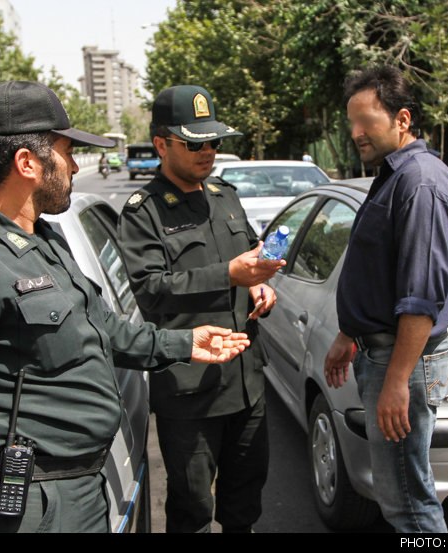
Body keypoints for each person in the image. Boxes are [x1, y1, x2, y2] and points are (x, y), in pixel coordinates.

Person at [0, 80, 251, 533]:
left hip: (79, 491)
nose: (76, 166)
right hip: (30, 505)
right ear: (27, 162)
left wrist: (184, 343)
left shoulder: (43, 241)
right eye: (67, 153)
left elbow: (102, 329)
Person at [117, 85, 285, 533]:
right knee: (191, 509)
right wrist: (228, 275)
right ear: (161, 145)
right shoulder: (142, 212)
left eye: (214, 142)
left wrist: (258, 286)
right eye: (194, 144)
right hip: (190, 391)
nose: (207, 151)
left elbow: (250, 252)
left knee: (244, 504)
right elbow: (151, 289)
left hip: (246, 381)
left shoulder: (224, 194)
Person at [323, 66, 448, 533]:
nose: (356, 133)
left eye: (366, 121)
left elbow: (420, 297)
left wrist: (397, 380)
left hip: (403, 360)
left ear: (402, 119)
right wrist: (348, 334)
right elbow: (378, 273)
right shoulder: (394, 174)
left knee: (408, 502)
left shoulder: (420, 182)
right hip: (384, 353)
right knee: (399, 494)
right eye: (352, 122)